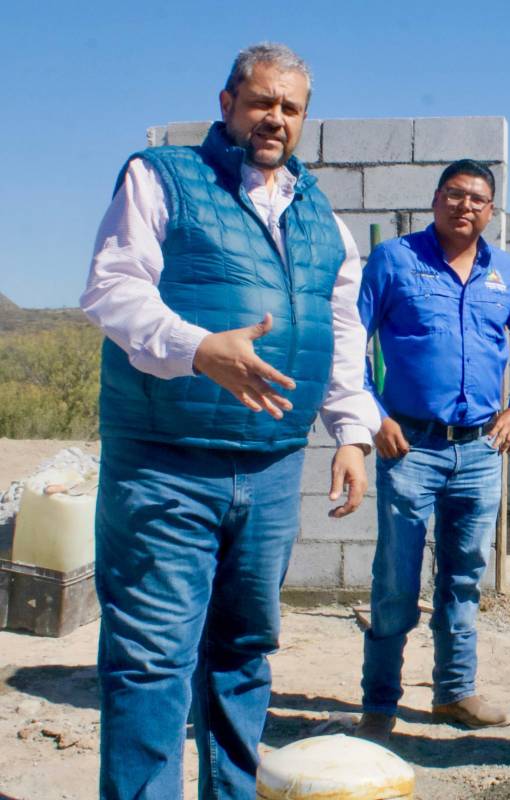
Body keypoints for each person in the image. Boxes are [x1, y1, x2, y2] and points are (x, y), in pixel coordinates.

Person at [79, 43, 380, 799]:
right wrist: (197, 346)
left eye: (290, 107)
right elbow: (112, 288)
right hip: (165, 463)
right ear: (227, 104)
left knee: (244, 653)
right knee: (153, 659)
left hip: (272, 469)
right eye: (261, 102)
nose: (274, 118)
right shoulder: (163, 178)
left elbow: (342, 330)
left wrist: (351, 432)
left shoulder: (319, 214)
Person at [354, 159, 510, 741]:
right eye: (455, 195)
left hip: (480, 451)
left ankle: (454, 693)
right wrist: (375, 415)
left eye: (478, 199)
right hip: (410, 447)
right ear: (436, 199)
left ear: (491, 211)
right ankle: (380, 705)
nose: (466, 206)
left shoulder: (505, 273)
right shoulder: (395, 260)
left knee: (464, 577)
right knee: (396, 582)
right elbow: (349, 344)